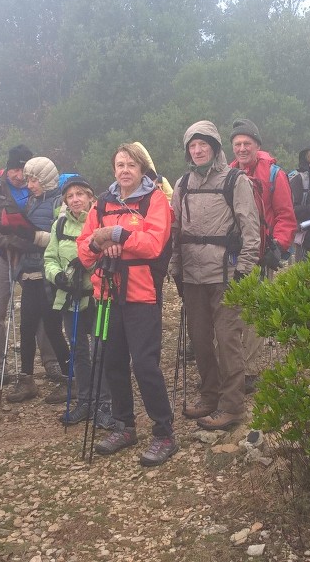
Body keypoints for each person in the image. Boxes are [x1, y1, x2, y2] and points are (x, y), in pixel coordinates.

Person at [78, 142, 177, 465]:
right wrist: (99, 240)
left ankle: (164, 433)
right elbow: (84, 250)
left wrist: (117, 235)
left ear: (141, 169)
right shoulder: (102, 203)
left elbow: (153, 244)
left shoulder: (155, 199)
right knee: (111, 361)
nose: (124, 171)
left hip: (142, 294)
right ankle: (124, 425)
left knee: (145, 365)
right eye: (119, 165)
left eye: (130, 165)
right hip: (106, 294)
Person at [170, 121, 261, 431]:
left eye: (203, 144)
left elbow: (250, 229)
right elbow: (175, 231)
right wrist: (175, 269)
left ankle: (233, 406)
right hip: (193, 276)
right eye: (192, 146)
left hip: (226, 275)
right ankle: (209, 396)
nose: (197, 150)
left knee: (227, 341)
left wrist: (244, 269)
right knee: (200, 340)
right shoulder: (182, 184)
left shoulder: (236, 181)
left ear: (215, 147)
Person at [0, 145, 62, 387]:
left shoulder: (36, 191)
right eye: (15, 169)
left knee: (40, 307)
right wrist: (6, 240)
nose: (19, 175)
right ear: (7, 168)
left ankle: (50, 361)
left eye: (23, 169)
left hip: (29, 257)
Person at [227, 119, 298, 393]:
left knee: (254, 314)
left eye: (247, 144)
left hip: (261, 253)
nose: (242, 148)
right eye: (237, 144)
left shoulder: (274, 174)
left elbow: (285, 214)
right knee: (231, 310)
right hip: (233, 253)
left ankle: (247, 370)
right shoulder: (229, 173)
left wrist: (277, 247)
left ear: (257, 145)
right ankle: (233, 367)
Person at [44, 175, 115, 427]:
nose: (75, 199)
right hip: (69, 296)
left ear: (90, 197)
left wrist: (89, 267)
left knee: (100, 349)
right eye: (70, 196)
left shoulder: (101, 221)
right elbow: (50, 258)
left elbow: (109, 256)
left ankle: (105, 402)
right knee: (79, 350)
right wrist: (58, 277)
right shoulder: (59, 225)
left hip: (97, 296)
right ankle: (84, 400)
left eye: (80, 194)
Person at [3, 156, 72, 404]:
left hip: (49, 276)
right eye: (28, 178)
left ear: (46, 179)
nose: (29, 184)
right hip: (30, 274)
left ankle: (69, 379)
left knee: (53, 328)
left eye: (34, 179)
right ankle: (27, 379)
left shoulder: (59, 203)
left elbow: (59, 238)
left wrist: (29, 235)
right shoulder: (32, 201)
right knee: (27, 327)